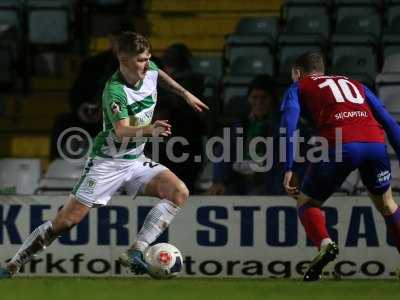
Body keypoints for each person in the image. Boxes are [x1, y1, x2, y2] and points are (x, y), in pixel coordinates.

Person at [0, 32, 209, 279]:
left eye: (148, 58)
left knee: (179, 192)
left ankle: (136, 250)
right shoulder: (115, 90)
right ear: (124, 59)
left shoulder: (149, 69)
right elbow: (121, 131)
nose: (147, 63)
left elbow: (160, 76)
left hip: (135, 161)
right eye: (141, 60)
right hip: (106, 164)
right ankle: (14, 263)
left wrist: (184, 94)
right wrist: (150, 130)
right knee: (65, 222)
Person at [280, 52, 400, 281]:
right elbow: (389, 121)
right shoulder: (355, 84)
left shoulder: (298, 86)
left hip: (340, 145)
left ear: (297, 73)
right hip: (374, 144)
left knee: (307, 202)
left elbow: (289, 123)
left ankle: (325, 245)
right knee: (387, 204)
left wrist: (288, 167)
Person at [207, 75, 287, 195]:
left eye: (264, 97)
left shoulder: (284, 126)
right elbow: (223, 153)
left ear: (273, 99)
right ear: (249, 99)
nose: (259, 102)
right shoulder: (241, 125)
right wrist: (219, 181)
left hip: (271, 184)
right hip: (241, 182)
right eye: (254, 97)